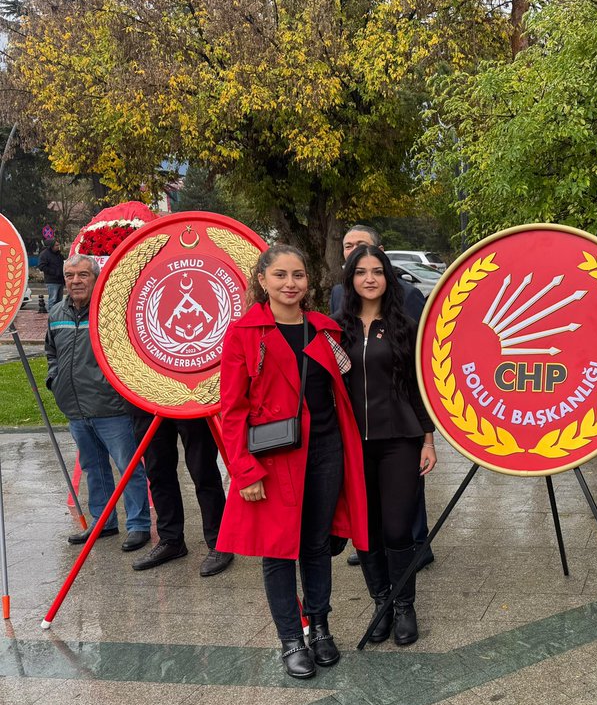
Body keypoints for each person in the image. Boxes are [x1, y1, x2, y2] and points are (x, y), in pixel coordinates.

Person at [215, 244, 368, 679]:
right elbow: (232, 410)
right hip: (273, 457)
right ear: (262, 280)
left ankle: (320, 628)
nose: (290, 283)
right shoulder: (245, 333)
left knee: (317, 544)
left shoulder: (324, 330)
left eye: (297, 275)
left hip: (325, 451)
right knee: (278, 551)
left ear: (308, 281)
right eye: (280, 275)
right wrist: (244, 470)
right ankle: (291, 639)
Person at [337, 244, 437, 646]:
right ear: (350, 279)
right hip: (351, 444)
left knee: (397, 529)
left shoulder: (403, 326)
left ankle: (403, 605)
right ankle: (381, 603)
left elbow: (419, 388)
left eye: (377, 271)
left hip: (400, 440)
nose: (370, 279)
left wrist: (428, 439)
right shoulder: (335, 328)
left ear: (388, 277)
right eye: (361, 272)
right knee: (367, 530)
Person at [47, 255, 152, 551]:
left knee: (127, 466)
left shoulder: (109, 312)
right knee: (93, 468)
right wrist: (55, 380)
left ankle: (138, 524)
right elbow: (51, 352)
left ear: (96, 277)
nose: (75, 281)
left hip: (111, 407)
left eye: (83, 275)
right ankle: (104, 521)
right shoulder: (56, 313)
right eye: (70, 275)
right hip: (76, 407)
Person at [125, 406, 230, 576]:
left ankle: (219, 542)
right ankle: (171, 539)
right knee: (157, 473)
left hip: (191, 398)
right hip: (147, 401)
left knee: (203, 470)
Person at [38, 238, 65, 306]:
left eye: (58, 245)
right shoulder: (45, 254)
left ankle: (57, 312)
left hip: (60, 280)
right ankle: (51, 312)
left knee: (59, 301)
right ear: (51, 246)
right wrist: (55, 272)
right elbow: (42, 266)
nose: (58, 247)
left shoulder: (59, 254)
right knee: (53, 300)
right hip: (52, 281)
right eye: (56, 245)